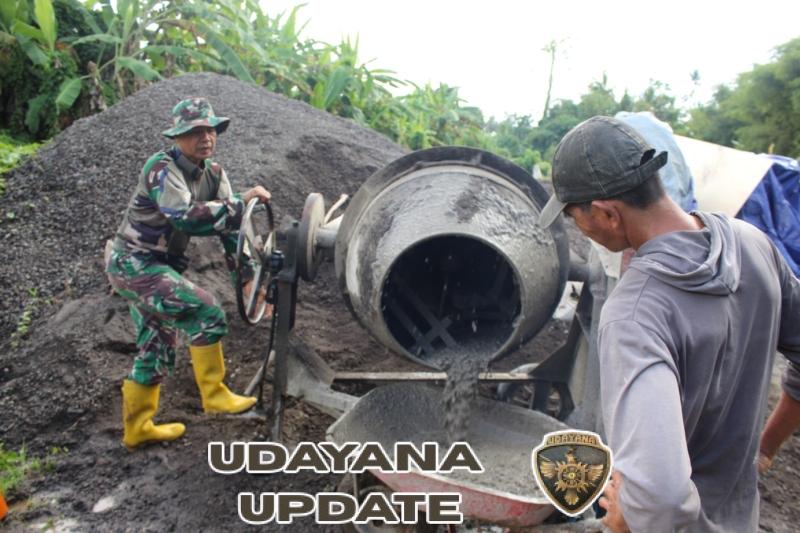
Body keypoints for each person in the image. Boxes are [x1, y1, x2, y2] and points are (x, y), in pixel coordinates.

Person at [536, 116, 800, 532]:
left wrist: (627, 518)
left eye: (574, 217)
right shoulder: (754, 245)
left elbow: (660, 498)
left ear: (606, 214)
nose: (579, 230)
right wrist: (765, 447)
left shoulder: (635, 313)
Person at [106, 97, 270, 449]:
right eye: (196, 132)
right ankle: (215, 396)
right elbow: (185, 216)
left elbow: (232, 229)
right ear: (177, 137)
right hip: (134, 263)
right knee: (206, 311)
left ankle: (138, 428)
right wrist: (240, 202)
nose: (205, 138)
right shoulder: (161, 168)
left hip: (158, 267)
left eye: (210, 130)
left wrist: (247, 278)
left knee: (156, 344)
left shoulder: (215, 174)